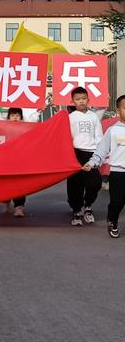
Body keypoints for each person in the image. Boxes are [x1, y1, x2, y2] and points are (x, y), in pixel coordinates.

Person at [83, 95, 125, 238]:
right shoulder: (113, 131)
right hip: (118, 173)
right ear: (118, 109)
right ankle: (112, 220)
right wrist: (92, 162)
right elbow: (102, 150)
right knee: (117, 202)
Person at [67, 86, 103, 226]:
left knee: (95, 183)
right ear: (73, 101)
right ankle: (76, 210)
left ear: (88, 99)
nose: (81, 101)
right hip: (75, 152)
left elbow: (99, 136)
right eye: (78, 99)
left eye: (83, 99)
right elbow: (67, 137)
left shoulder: (93, 116)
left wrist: (98, 154)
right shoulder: (70, 117)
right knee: (75, 184)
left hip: (91, 153)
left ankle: (88, 205)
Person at [1, 108, 27, 217]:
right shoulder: (2, 128)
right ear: (8, 117)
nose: (15, 117)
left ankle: (19, 207)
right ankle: (6, 202)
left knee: (20, 184)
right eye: (12, 115)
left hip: (20, 161)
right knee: (5, 183)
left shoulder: (26, 129)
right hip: (6, 161)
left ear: (21, 117)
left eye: (17, 115)